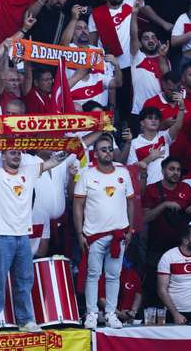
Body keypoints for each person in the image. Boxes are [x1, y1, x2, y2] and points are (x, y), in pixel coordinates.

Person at [0, 146, 70, 334]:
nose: (16, 156)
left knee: (24, 280)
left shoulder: (29, 171)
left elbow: (53, 162)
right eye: (12, 153)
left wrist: (67, 152)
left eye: (19, 153)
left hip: (23, 236)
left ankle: (26, 320)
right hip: (1, 236)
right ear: (2, 156)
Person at [73, 134, 134, 330]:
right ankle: (91, 314)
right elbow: (78, 206)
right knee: (93, 275)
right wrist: (80, 233)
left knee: (113, 275)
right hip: (94, 235)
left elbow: (130, 202)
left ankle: (110, 313)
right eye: (103, 149)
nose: (108, 152)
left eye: (109, 149)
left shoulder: (123, 173)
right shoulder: (86, 174)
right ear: (95, 153)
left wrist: (131, 229)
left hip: (119, 234)